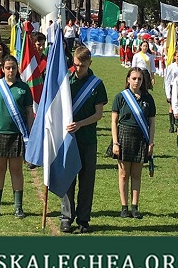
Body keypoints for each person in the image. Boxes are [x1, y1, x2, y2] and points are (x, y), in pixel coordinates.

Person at [61, 45, 107, 233]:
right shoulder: (65, 81)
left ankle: (83, 219)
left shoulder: (97, 84)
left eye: (82, 65)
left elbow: (98, 114)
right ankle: (66, 217)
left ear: (90, 63)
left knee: (87, 181)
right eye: (76, 64)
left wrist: (80, 123)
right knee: (67, 180)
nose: (78, 68)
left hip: (88, 139)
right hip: (68, 139)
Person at [0, 55, 33, 219]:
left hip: (17, 134)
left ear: (17, 68)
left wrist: (30, 134)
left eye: (13, 67)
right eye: (8, 68)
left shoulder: (24, 88)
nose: (11, 70)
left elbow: (29, 113)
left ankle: (18, 207)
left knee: (16, 170)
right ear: (2, 69)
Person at [110, 67, 155, 219]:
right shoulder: (120, 97)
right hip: (124, 136)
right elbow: (114, 121)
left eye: (139, 79)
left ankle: (135, 207)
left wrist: (151, 142)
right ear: (128, 79)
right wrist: (115, 143)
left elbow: (152, 123)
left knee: (136, 174)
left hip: (141, 138)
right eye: (134, 78)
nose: (136, 81)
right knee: (123, 174)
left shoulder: (148, 99)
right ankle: (124, 207)